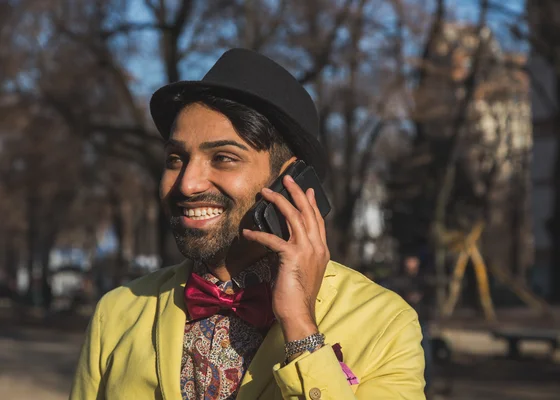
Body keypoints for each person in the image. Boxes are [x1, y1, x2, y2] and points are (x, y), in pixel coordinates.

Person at [70, 48, 425, 400]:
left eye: (224, 158)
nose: (188, 184)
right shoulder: (117, 314)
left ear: (292, 182)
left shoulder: (385, 323)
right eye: (176, 159)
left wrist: (301, 328)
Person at [395, 252, 434, 394]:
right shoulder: (399, 280)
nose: (411, 263)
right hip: (405, 324)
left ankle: (427, 387)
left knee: (426, 356)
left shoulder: (423, 280)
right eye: (409, 260)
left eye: (413, 260)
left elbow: (430, 300)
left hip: (422, 322)